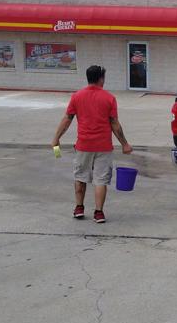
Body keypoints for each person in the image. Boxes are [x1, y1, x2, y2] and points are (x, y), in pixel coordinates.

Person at [52, 65, 132, 224]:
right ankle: (99, 213)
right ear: (101, 79)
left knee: (80, 177)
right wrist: (125, 144)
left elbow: (67, 119)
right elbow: (114, 123)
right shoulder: (109, 98)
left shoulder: (77, 96)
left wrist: (56, 138)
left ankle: (79, 208)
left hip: (83, 146)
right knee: (101, 180)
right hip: (103, 146)